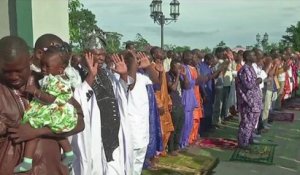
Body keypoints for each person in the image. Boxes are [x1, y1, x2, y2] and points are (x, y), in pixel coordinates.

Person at [0, 36, 84, 175]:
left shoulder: (48, 83)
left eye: (19, 70)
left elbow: (79, 122)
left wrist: (39, 131)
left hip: (51, 169)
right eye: (6, 72)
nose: (13, 76)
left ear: (30, 60)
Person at [14, 46, 78, 173]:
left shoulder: (55, 81)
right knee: (57, 131)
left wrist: (35, 91)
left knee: (33, 128)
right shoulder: (56, 78)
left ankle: (27, 161)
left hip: (53, 109)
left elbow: (49, 99)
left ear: (60, 69)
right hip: (55, 110)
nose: (43, 69)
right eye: (42, 65)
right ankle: (69, 153)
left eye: (47, 66)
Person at [72, 46, 133, 174]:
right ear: (86, 53)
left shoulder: (106, 73)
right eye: (97, 54)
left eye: (103, 54)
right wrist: (91, 76)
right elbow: (79, 98)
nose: (101, 57)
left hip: (113, 138)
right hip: (94, 135)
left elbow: (120, 94)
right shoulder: (75, 74)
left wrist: (123, 75)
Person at [123, 51, 159, 175]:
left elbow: (156, 81)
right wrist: (132, 62)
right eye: (134, 60)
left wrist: (148, 66)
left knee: (138, 162)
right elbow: (130, 83)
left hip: (143, 126)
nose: (137, 62)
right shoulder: (121, 77)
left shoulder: (141, 77)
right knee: (129, 163)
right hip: (131, 127)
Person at [150, 46, 174, 156]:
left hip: (165, 100)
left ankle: (162, 149)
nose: (162, 52)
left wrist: (168, 100)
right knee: (159, 128)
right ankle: (156, 152)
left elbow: (164, 87)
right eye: (159, 52)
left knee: (168, 128)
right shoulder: (151, 67)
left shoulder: (162, 67)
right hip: (158, 102)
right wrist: (158, 103)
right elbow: (155, 87)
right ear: (154, 55)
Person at [236, 50, 263, 148]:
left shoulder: (250, 68)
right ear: (247, 57)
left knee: (252, 121)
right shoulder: (245, 70)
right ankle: (243, 142)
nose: (255, 56)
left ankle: (249, 138)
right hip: (248, 101)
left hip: (254, 101)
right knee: (247, 122)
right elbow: (248, 85)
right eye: (253, 55)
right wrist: (258, 80)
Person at [167, 59, 189, 155]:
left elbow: (186, 86)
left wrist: (184, 75)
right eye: (177, 68)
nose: (179, 69)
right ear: (172, 67)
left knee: (180, 127)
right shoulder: (168, 75)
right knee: (173, 128)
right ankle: (171, 149)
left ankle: (177, 146)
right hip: (173, 104)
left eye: (180, 67)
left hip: (180, 103)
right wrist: (177, 75)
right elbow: (173, 88)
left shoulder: (179, 76)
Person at [180, 51, 198, 148]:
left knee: (189, 123)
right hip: (185, 99)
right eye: (189, 57)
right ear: (184, 56)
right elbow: (186, 85)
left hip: (190, 98)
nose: (191, 59)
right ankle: (182, 143)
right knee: (185, 123)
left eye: (192, 58)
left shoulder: (188, 67)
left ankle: (186, 141)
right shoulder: (182, 67)